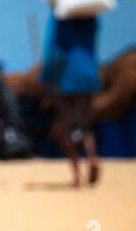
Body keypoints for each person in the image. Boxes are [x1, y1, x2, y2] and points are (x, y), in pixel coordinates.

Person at [41, 13, 102, 187]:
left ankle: (76, 176)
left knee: (67, 125)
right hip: (89, 74)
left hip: (67, 76)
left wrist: (47, 77)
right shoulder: (91, 21)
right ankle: (92, 157)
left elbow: (55, 51)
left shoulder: (61, 19)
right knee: (84, 123)